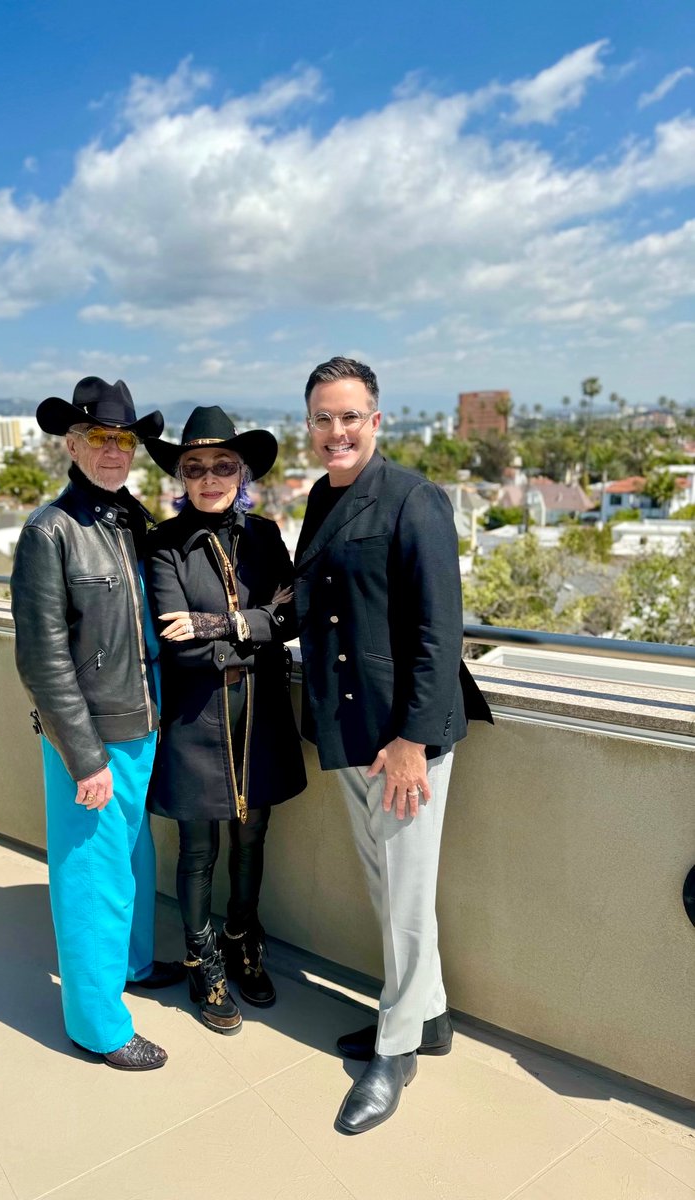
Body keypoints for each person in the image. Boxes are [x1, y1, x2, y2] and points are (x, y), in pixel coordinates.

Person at [294, 357, 492, 1134]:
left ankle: (397, 1047)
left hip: (403, 737)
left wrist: (413, 739)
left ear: (376, 422)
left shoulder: (414, 499)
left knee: (405, 896)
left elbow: (441, 631)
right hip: (348, 726)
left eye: (350, 417)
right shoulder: (320, 497)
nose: (336, 432)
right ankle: (431, 1016)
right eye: (322, 418)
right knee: (387, 888)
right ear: (309, 427)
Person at [11, 376, 185, 1073]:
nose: (115, 451)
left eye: (125, 440)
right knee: (91, 878)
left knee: (132, 860)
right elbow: (43, 660)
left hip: (142, 726)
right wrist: (83, 756)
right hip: (93, 738)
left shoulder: (126, 518)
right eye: (101, 439)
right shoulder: (50, 532)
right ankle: (97, 1026)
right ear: (73, 444)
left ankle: (133, 964)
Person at [145, 406, 306, 1035]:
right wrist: (256, 628)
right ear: (181, 477)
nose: (210, 477)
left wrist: (225, 624)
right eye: (195, 467)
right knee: (199, 850)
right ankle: (203, 961)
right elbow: (177, 647)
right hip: (197, 718)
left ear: (241, 472)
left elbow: (290, 619)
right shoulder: (163, 544)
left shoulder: (265, 535)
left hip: (257, 715)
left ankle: (244, 942)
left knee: (252, 840)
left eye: (223, 465)